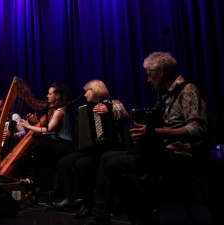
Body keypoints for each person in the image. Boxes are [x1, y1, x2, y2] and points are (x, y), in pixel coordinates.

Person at [84, 52, 208, 225]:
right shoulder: (166, 96)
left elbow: (197, 128)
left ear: (161, 73)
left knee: (113, 165)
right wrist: (143, 137)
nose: (148, 80)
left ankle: (142, 221)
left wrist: (154, 132)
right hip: (164, 152)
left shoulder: (187, 90)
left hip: (181, 155)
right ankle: (100, 217)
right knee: (106, 158)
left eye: (150, 75)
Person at [52, 80, 130, 218]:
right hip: (92, 149)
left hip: (110, 149)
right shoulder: (87, 108)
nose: (85, 94)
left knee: (83, 164)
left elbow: (125, 116)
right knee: (66, 161)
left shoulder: (113, 103)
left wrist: (109, 111)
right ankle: (71, 198)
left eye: (86, 90)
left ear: (94, 90)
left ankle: (89, 205)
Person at [17, 82, 75, 197]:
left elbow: (49, 129)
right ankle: (35, 182)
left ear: (57, 96)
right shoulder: (53, 110)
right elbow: (47, 127)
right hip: (57, 144)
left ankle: (33, 180)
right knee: (35, 148)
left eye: (49, 94)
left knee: (34, 144)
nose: (47, 96)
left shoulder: (59, 111)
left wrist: (28, 126)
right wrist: (35, 122)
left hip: (65, 146)